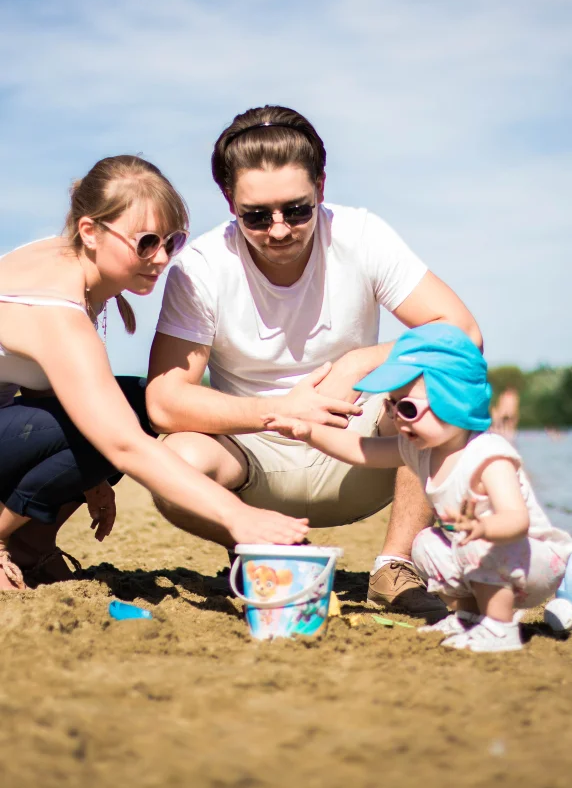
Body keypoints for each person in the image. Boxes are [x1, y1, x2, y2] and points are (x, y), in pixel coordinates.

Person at [146, 104, 482, 618]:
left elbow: (463, 332)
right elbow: (165, 403)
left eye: (297, 210)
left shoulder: (361, 235)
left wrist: (355, 364)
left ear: (321, 189)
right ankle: (260, 546)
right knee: (172, 460)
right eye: (256, 216)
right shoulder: (202, 267)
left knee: (437, 379)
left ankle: (395, 567)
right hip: (253, 461)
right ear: (228, 200)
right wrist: (281, 410)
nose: (279, 230)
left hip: (360, 451)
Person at [0, 155, 308, 591]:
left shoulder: (67, 260)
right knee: (128, 415)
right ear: (90, 231)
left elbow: (51, 398)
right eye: (145, 242)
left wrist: (88, 477)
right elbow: (124, 444)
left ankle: (30, 546)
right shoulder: (56, 310)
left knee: (129, 403)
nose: (161, 258)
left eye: (172, 241)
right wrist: (239, 517)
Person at [262, 323, 572, 652]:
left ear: (454, 400)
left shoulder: (488, 456)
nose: (398, 418)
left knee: (475, 544)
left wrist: (482, 526)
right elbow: (360, 449)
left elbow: (516, 519)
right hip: (485, 558)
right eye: (391, 406)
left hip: (533, 560)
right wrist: (308, 432)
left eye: (408, 408)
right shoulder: (419, 448)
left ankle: (499, 628)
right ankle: (468, 615)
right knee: (426, 543)